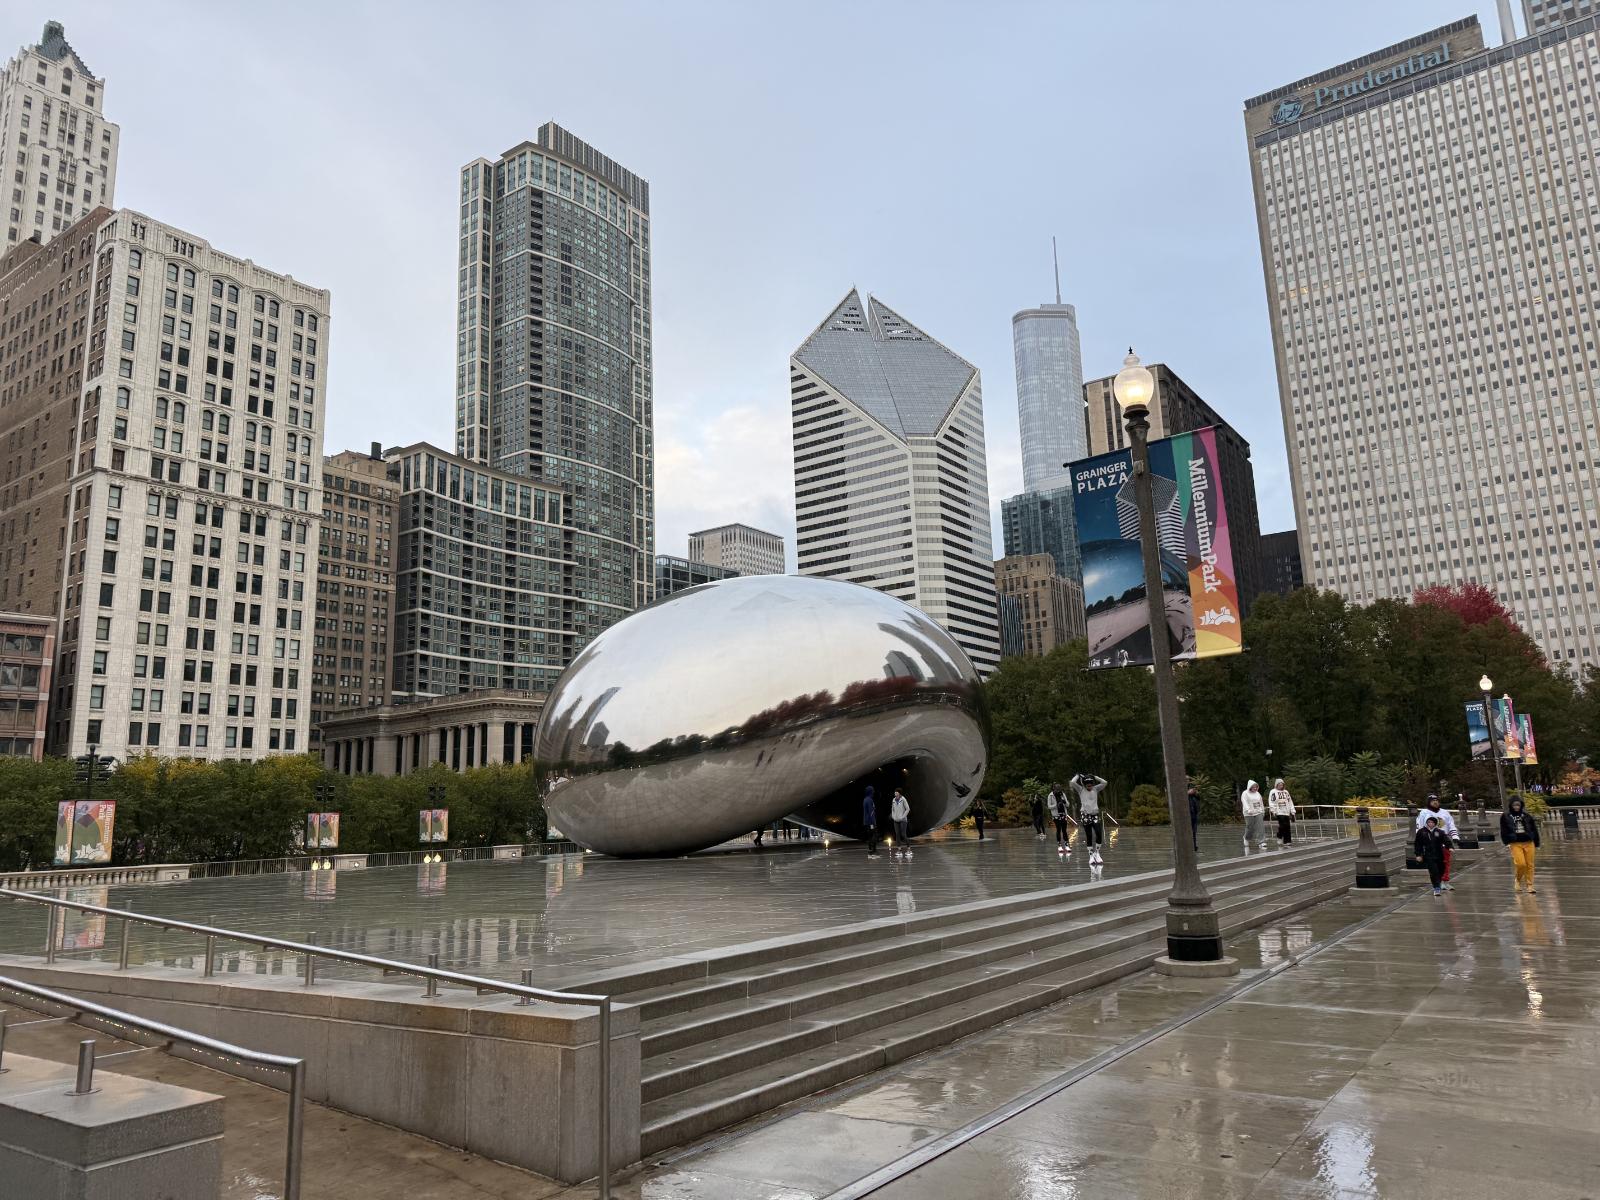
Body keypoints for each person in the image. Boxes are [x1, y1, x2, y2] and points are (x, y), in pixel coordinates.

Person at [1413, 795, 1460, 890]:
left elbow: (1451, 825)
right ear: (1429, 802)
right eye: (1433, 800)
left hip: (1443, 842)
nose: (1435, 802)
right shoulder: (1424, 813)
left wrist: (1455, 836)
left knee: (1446, 862)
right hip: (1430, 843)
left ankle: (1445, 881)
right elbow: (1420, 827)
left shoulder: (1445, 812)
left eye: (1436, 800)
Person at [1501, 796, 1541, 893]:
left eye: (1518, 805)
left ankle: (1530, 885)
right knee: (1521, 864)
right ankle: (1518, 880)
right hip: (1515, 843)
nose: (1516, 807)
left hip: (1528, 842)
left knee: (1530, 865)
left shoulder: (1527, 816)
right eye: (1514, 805)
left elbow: (1534, 829)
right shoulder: (1505, 816)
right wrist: (1506, 841)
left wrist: (1536, 842)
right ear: (1511, 805)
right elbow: (1503, 830)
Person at [1070, 773, 1107, 865]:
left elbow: (1104, 782)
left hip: (1095, 815)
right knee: (1089, 835)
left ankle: (1097, 853)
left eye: (1091, 785)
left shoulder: (1096, 789)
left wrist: (1095, 777)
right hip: (1085, 815)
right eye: (1087, 785)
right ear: (1084, 784)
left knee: (1099, 833)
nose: (1089, 787)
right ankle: (1091, 855)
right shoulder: (1081, 789)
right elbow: (1072, 783)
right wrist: (1077, 776)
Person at [1415, 815, 1451, 896]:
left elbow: (1446, 840)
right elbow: (1417, 844)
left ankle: (1438, 882)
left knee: (1441, 870)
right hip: (1428, 855)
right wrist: (1418, 854)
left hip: (1439, 855)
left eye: (1432, 822)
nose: (1430, 824)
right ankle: (1436, 888)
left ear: (1435, 823)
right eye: (1429, 822)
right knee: (1433, 872)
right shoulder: (1421, 832)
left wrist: (1450, 847)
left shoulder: (1439, 832)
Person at [1268, 778, 1296, 846]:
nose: (1281, 786)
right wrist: (1273, 810)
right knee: (1282, 825)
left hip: (1286, 811)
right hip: (1279, 811)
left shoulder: (1286, 792)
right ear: (1276, 785)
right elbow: (1271, 801)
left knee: (1287, 826)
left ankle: (1287, 841)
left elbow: (1290, 801)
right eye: (1279, 785)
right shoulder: (1273, 791)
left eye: (1282, 785)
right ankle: (1279, 836)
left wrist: (1292, 811)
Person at [1046, 782, 1073, 853]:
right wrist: (1056, 805)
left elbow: (1068, 805)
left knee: (1064, 830)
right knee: (1058, 829)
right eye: (1056, 789)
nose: (1058, 791)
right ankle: (1059, 846)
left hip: (1063, 814)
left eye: (1059, 789)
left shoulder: (1062, 794)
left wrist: (1064, 802)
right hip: (1056, 815)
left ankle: (1067, 845)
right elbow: (1049, 806)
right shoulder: (1050, 795)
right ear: (1053, 789)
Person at [1240, 780, 1266, 851]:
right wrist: (1248, 810)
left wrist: (1263, 810)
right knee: (1250, 827)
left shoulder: (1258, 794)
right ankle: (1246, 838)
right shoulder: (1245, 793)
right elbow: (1244, 802)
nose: (1255, 788)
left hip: (1258, 812)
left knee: (1260, 826)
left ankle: (1261, 841)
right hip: (1248, 813)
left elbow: (1261, 802)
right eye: (1253, 787)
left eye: (1256, 787)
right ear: (1250, 787)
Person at [890, 789, 912, 860]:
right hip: (896, 820)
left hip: (903, 820)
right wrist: (893, 817)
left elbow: (908, 809)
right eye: (895, 792)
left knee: (903, 834)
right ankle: (899, 850)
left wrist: (903, 817)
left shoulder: (903, 799)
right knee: (897, 834)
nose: (895, 793)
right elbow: (892, 809)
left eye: (896, 792)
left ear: (899, 793)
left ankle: (909, 849)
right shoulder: (893, 800)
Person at [862, 785, 880, 860]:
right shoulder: (870, 800)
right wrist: (873, 822)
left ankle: (870, 851)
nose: (874, 792)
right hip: (871, 822)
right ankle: (873, 851)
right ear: (870, 792)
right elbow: (871, 812)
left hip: (866, 821)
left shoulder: (865, 799)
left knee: (870, 836)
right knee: (874, 835)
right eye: (872, 790)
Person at [1187, 781, 1201, 852]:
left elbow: (1199, 797)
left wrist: (1195, 792)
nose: (1187, 781)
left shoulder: (1192, 787)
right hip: (1185, 814)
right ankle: (1187, 848)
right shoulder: (1178, 788)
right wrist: (1187, 793)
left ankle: (1194, 847)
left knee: (1194, 832)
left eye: (1188, 779)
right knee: (1186, 832)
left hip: (1193, 813)